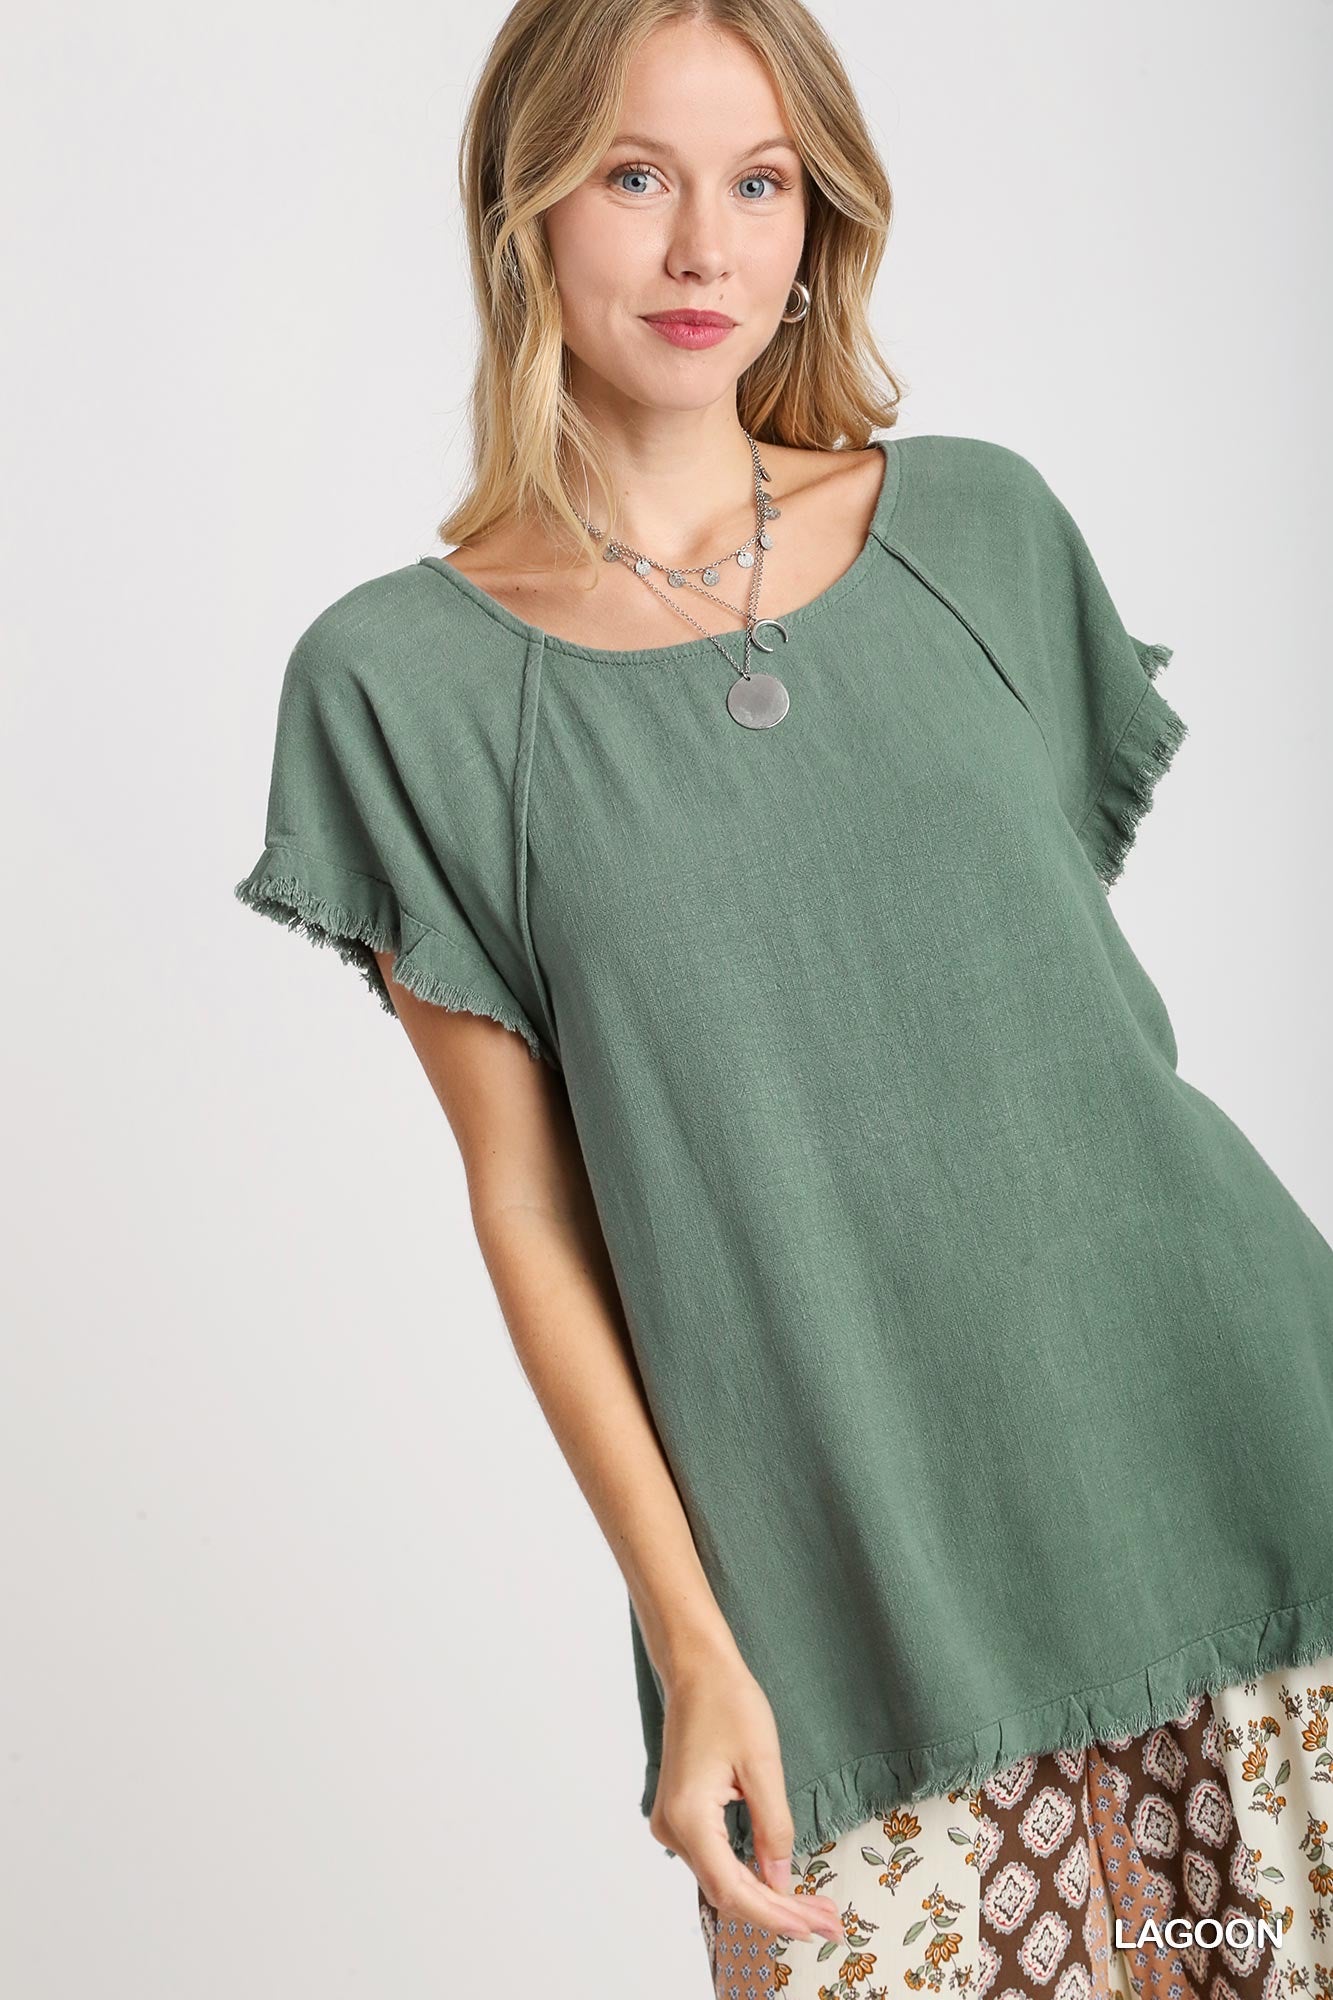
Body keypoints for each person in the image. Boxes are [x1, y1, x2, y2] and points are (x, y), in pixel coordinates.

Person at [233, 1, 1333, 1991]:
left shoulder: (979, 534)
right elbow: (531, 1203)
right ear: (522, 203)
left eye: (759, 184)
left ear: (820, 220)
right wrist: (691, 1642)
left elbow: (1016, 1056)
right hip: (843, 1611)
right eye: (633, 175)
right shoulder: (400, 686)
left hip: (1247, 1466)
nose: (702, 248)